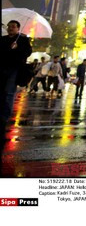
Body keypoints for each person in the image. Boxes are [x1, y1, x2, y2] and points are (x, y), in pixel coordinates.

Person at [0, 20, 32, 170]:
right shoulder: (3, 39)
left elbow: (27, 53)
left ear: (18, 28)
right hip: (2, 69)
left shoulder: (23, 40)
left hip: (14, 70)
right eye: (9, 26)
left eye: (14, 26)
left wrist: (17, 48)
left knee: (9, 93)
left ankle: (4, 116)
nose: (11, 28)